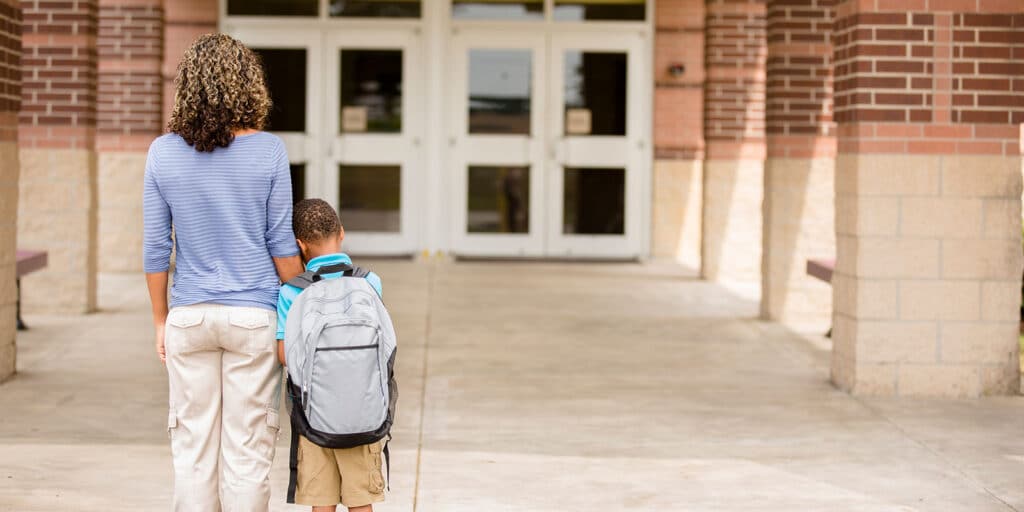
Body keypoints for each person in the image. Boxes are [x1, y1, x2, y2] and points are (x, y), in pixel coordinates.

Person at [142, 33, 304, 511]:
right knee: (248, 449)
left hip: (189, 317)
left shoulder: (162, 153)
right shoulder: (270, 151)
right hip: (253, 317)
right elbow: (280, 245)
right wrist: (299, 304)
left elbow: (156, 248)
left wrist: (160, 319)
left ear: (187, 85)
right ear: (247, 84)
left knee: (192, 450)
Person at [277, 198, 386, 512]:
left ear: (300, 245)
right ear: (341, 232)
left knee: (321, 503)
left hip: (315, 416)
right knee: (361, 500)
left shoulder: (292, 291)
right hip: (363, 413)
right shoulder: (369, 282)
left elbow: (285, 355)